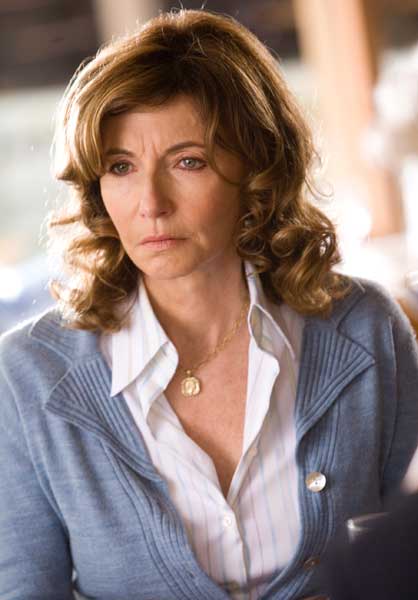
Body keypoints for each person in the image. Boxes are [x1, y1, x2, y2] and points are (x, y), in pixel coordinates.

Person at [0, 9, 418, 600]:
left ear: (257, 169)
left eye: (187, 161)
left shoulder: (366, 328)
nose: (150, 203)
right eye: (121, 167)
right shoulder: (27, 376)